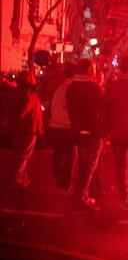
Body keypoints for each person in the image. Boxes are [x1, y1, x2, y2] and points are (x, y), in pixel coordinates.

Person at [104, 56, 128, 213]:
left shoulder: (112, 86)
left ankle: (124, 200)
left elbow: (105, 109)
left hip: (117, 132)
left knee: (121, 168)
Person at [66, 59, 106, 210]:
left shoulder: (71, 88)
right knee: (89, 166)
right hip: (92, 132)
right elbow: (103, 110)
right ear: (90, 70)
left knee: (82, 164)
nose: (95, 71)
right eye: (94, 69)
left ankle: (79, 194)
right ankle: (82, 195)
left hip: (77, 131)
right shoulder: (95, 88)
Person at [9, 71, 44, 188]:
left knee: (20, 153)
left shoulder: (15, 91)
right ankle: (18, 175)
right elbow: (27, 107)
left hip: (16, 127)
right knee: (25, 154)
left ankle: (22, 174)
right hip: (28, 128)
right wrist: (21, 115)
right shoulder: (30, 93)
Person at [48, 62, 76, 192]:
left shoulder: (61, 87)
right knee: (70, 156)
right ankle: (65, 183)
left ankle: (60, 181)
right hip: (66, 127)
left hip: (55, 126)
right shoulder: (71, 87)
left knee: (58, 154)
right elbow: (72, 109)